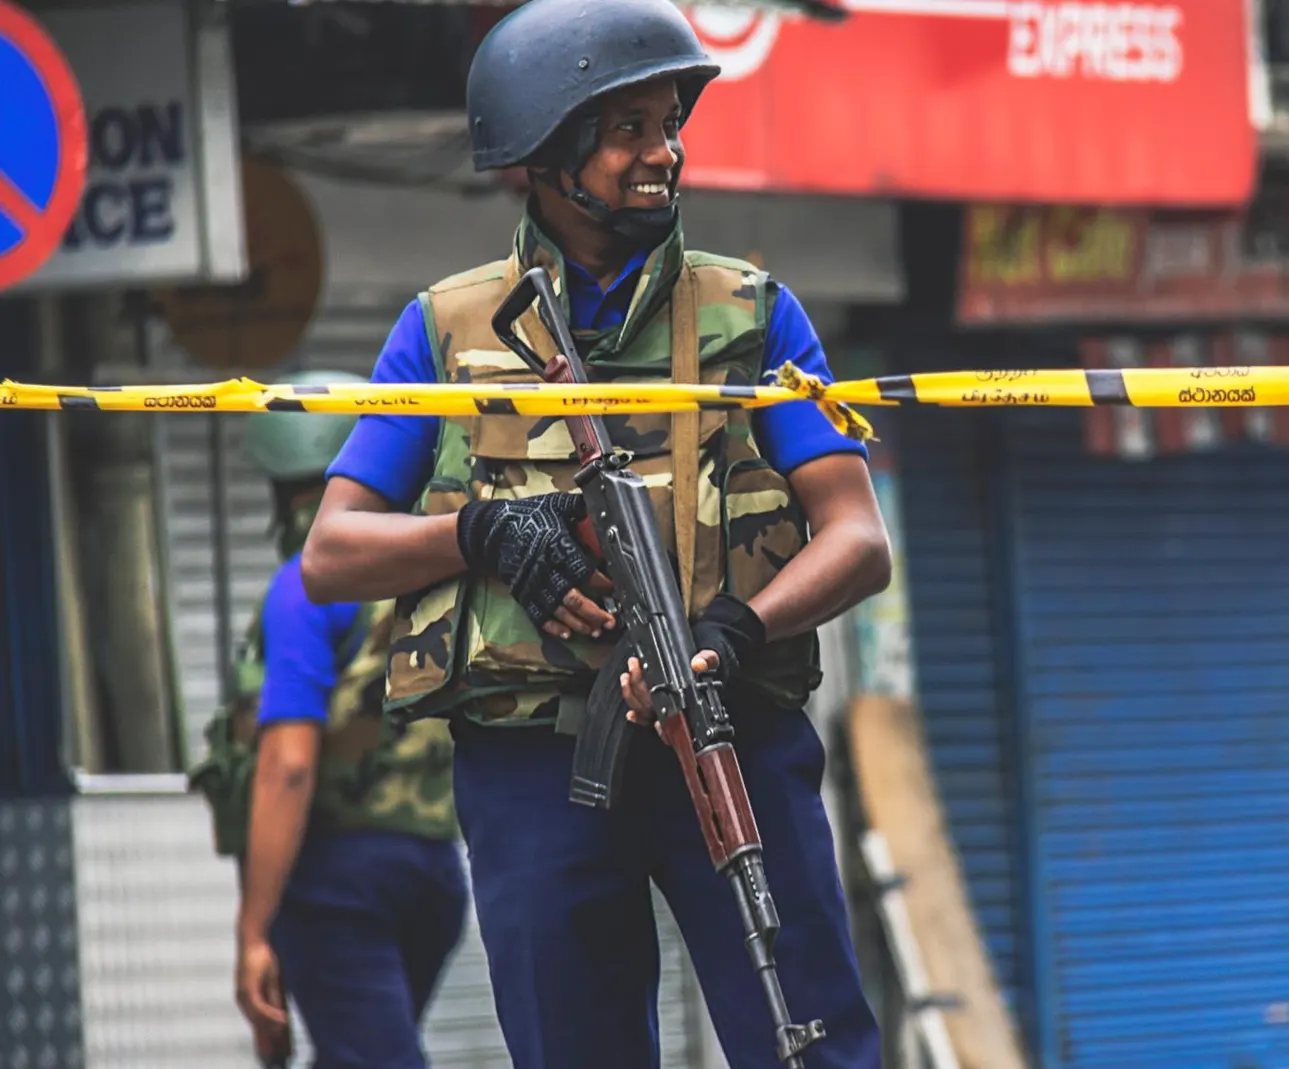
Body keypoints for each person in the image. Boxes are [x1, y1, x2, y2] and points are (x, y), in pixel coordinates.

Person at [296, 0, 894, 1066]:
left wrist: (737, 627)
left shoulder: (752, 313)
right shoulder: (444, 328)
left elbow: (857, 536)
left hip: (730, 729)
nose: (662, 154)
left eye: (670, 125)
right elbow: (333, 554)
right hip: (534, 764)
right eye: (629, 131)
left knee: (811, 1041)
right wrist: (485, 535)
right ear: (544, 151)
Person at [189, 369, 469, 1069]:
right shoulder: (425, 575)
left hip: (337, 878)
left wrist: (253, 931)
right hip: (434, 869)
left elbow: (287, 763)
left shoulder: (304, 591)